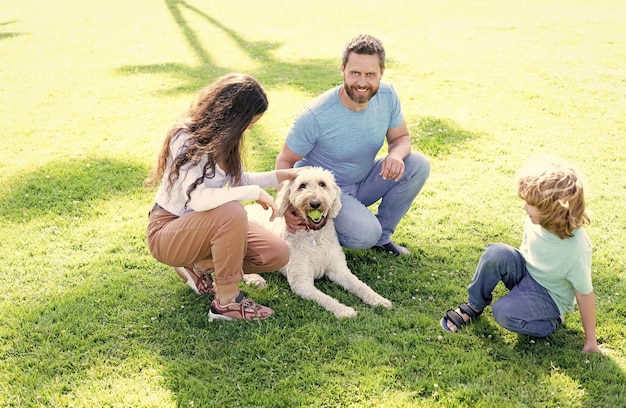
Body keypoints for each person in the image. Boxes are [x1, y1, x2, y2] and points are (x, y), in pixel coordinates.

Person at [146, 73, 301, 322]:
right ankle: (226, 303)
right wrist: (254, 194)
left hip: (205, 227)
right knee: (232, 211)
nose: (250, 128)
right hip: (168, 230)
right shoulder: (184, 138)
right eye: (249, 121)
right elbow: (198, 199)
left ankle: (198, 264)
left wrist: (282, 175)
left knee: (276, 253)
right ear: (233, 115)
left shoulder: (224, 142)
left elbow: (236, 179)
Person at [275, 34, 430, 256]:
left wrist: (395, 155)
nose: (362, 82)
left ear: (381, 73)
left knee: (418, 164)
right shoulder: (316, 114)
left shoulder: (387, 96)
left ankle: (383, 237)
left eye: (370, 74)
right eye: (355, 73)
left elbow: (401, 138)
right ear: (343, 70)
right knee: (365, 234)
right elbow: (285, 160)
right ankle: (330, 227)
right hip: (325, 192)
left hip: (365, 180)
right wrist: (288, 206)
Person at [440, 156, 601, 353]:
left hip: (549, 296)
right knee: (496, 253)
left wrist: (591, 342)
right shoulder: (536, 220)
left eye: (529, 204)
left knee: (504, 313)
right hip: (526, 272)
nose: (524, 207)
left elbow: (584, 294)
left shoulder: (576, 248)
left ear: (551, 209)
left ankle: (552, 322)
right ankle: (474, 306)